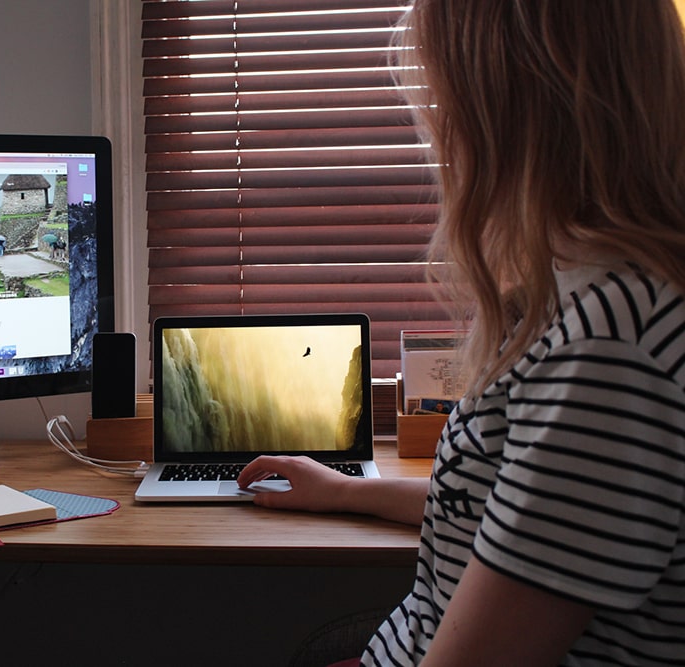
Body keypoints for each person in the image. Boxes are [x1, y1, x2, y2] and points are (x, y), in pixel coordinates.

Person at [237, 2, 685, 665]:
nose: (438, 134)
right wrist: (342, 489)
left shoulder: (607, 349)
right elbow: (508, 512)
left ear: (509, 111)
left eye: (445, 100)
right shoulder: (572, 294)